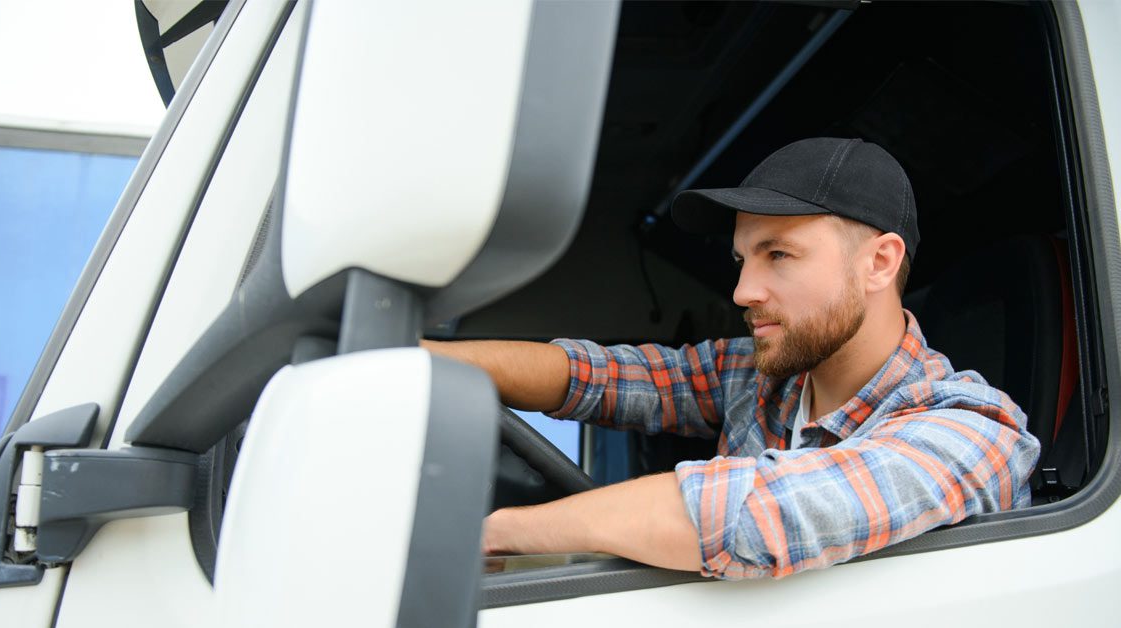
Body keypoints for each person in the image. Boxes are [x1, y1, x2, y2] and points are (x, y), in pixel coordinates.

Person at [422, 137, 1040, 579]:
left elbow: (746, 516)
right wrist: (423, 359)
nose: (743, 293)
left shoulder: (972, 431)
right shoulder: (765, 374)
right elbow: (602, 377)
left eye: (779, 255)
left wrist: (497, 532)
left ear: (878, 262)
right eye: (744, 261)